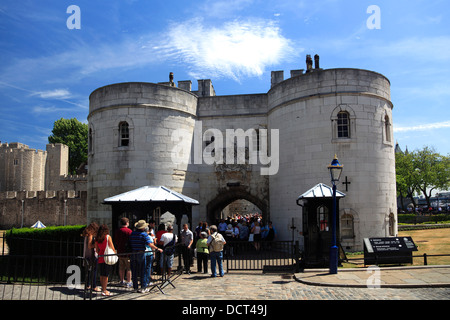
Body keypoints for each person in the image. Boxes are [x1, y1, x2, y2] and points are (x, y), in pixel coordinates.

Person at [129, 220, 162, 293]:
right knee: (142, 271)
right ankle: (143, 287)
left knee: (134, 271)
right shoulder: (144, 234)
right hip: (141, 253)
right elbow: (150, 244)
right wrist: (157, 248)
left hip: (133, 253)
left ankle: (135, 287)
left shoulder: (132, 233)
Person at [94, 224, 116, 296]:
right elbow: (112, 247)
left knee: (102, 274)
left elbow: (96, 250)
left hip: (100, 257)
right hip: (107, 257)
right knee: (106, 275)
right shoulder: (107, 237)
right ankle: (105, 290)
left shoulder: (97, 238)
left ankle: (103, 288)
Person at [114, 217, 132, 288]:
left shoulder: (117, 231)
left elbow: (116, 241)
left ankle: (122, 280)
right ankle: (129, 281)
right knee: (128, 268)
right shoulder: (129, 231)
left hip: (120, 251)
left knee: (121, 267)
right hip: (127, 252)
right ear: (127, 223)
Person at [82, 222, 100, 292]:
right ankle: (94, 286)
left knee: (88, 272)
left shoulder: (86, 234)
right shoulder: (90, 235)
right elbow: (90, 246)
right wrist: (95, 245)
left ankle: (87, 285)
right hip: (91, 255)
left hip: (87, 255)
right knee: (94, 271)